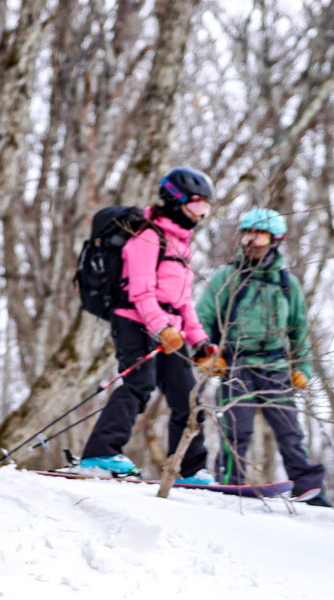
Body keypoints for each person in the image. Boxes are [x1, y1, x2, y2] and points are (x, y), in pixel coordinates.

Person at [76, 167, 225, 482]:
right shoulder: (147, 236)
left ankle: (189, 468)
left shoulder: (181, 244)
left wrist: (201, 343)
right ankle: (100, 453)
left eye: (206, 207)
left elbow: (183, 301)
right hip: (135, 322)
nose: (201, 213)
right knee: (139, 384)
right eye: (197, 204)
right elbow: (141, 293)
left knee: (188, 397)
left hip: (170, 331)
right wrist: (162, 329)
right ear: (176, 199)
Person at [195, 208, 331, 506]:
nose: (251, 241)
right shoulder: (227, 276)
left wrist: (303, 369)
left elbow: (299, 330)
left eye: (258, 235)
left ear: (274, 240)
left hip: (275, 365)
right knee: (235, 431)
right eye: (246, 234)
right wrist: (207, 354)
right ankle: (231, 486)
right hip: (236, 364)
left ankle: (311, 491)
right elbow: (203, 318)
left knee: (290, 431)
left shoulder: (286, 283)